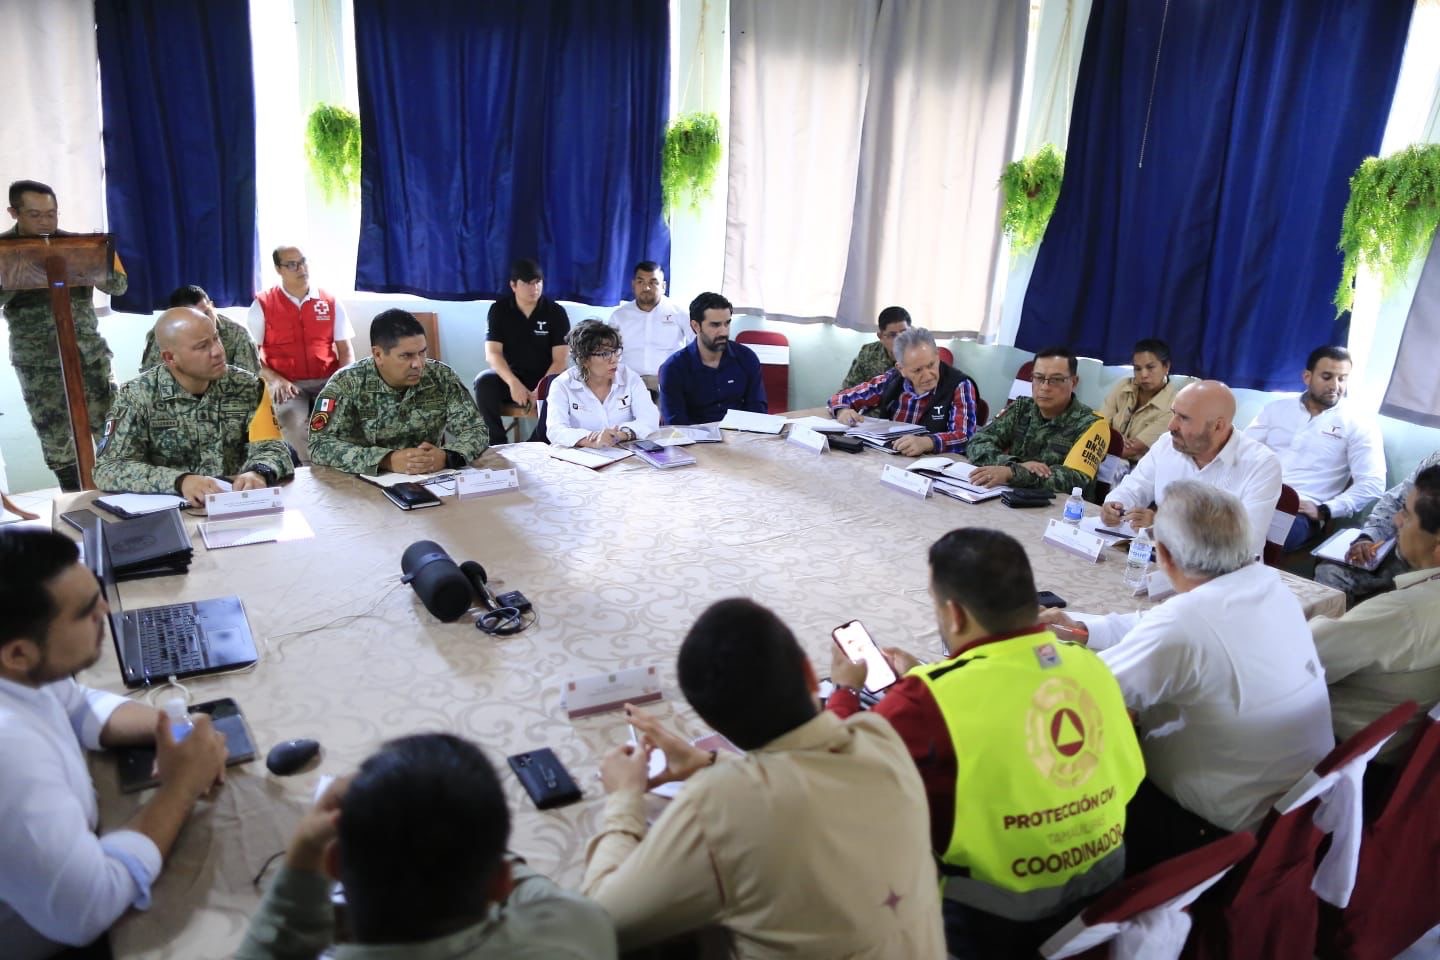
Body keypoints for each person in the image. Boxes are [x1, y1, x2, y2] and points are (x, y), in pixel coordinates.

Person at [826, 529, 1142, 959]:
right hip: (1104, 888)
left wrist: (844, 693)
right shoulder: (1090, 666)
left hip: (995, 920)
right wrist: (932, 675)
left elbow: (830, 778)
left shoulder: (925, 703)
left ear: (954, 615)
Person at [583, 597, 945, 957]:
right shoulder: (879, 735)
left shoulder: (719, 804)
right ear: (808, 673)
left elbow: (594, 923)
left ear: (711, 722)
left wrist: (623, 796)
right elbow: (805, 778)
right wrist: (709, 761)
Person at [1043, 482, 1331, 869]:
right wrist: (1082, 627)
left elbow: (1085, 695)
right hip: (1288, 815)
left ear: (1163, 555)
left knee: (1055, 774)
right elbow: (1152, 624)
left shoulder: (1186, 622)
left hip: (1211, 828)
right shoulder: (1267, 586)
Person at [0, 528, 228, 959]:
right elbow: (88, 906)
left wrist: (171, 728)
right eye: (87, 610)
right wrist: (179, 787)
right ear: (17, 653)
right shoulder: (9, 752)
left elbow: (77, 703)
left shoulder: (20, 672)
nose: (105, 610)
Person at [236, 733, 615, 959]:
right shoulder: (578, 932)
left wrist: (303, 854)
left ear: (334, 864)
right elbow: (548, 901)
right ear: (499, 882)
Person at [93, 307, 293, 505]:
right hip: (172, 511)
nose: (217, 351)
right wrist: (180, 481)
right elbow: (108, 468)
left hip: (235, 504)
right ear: (170, 358)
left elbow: (273, 447)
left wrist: (258, 472)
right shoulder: (137, 397)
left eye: (216, 338)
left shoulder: (248, 386)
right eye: (202, 346)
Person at [0, 180, 126, 491]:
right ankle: (74, 495)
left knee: (114, 425)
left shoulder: (80, 245)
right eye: (35, 215)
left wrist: (99, 264)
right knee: (54, 434)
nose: (46, 222)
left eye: (51, 214)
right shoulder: (2, 251)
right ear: (13, 212)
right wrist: (16, 274)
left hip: (88, 354)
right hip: (38, 361)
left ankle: (121, 489)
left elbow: (120, 286)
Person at [1310, 465, 1440, 764]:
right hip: (1399, 753)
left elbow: (1301, 658)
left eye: (1406, 515)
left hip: (1343, 754)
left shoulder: (1402, 613)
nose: (1397, 520)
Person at [1101, 380, 1282, 559]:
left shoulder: (1262, 465)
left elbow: (1245, 543)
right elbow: (1134, 487)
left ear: (1218, 426)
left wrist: (1164, 527)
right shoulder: (1167, 444)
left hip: (1223, 577)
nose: (1171, 426)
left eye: (1184, 418)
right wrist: (1116, 506)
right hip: (1162, 561)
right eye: (1173, 413)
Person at [308, 309, 488, 476]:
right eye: (406, 356)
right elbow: (319, 445)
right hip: (363, 483)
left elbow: (476, 429)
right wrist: (386, 460)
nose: (418, 364)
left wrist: (447, 456)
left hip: (429, 479)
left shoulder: (441, 377)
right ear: (378, 355)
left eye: (422, 353)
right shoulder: (347, 383)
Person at [1245, 346, 1385, 551]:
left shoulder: (1359, 423)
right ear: (1307, 377)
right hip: (1253, 496)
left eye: (1342, 378)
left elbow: (1373, 483)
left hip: (1298, 513)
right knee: (1196, 520)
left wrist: (1326, 510)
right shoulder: (1276, 410)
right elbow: (1243, 451)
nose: (1335, 386)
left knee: (1248, 539)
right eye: (1327, 377)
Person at [247, 245, 356, 463]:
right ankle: (309, 475)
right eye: (292, 264)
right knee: (293, 423)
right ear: (279, 269)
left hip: (327, 382)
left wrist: (340, 384)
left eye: (303, 261)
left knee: (333, 421)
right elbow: (251, 356)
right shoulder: (263, 304)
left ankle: (338, 469)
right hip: (288, 385)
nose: (301, 268)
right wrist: (276, 380)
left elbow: (345, 351)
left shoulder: (329, 301)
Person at [966, 347, 1109, 495]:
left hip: (1063, 510)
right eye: (1039, 378)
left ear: (1074, 382)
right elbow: (977, 442)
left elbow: (1074, 479)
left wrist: (1014, 473)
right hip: (1011, 496)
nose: (1045, 387)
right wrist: (1014, 465)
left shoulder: (1093, 424)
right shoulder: (1021, 408)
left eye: (1056, 380)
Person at [828, 326, 980, 455]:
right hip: (888, 459)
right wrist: (842, 411)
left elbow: (965, 436)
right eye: (917, 370)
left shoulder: (959, 385)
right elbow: (841, 397)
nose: (927, 375)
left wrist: (928, 442)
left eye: (931, 365)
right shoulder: (892, 380)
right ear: (901, 369)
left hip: (932, 468)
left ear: (937, 356)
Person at [1315, 450, 1440, 604]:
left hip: (1426, 563)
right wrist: (1368, 537)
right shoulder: (1436, 459)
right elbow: (1395, 501)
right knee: (1331, 572)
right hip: (1399, 549)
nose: (1398, 518)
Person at [474, 258, 570, 442]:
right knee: (484, 382)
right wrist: (513, 383)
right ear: (513, 285)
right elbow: (493, 353)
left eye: (537, 282)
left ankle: (535, 445)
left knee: (560, 388)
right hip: (512, 376)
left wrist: (539, 390)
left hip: (547, 376)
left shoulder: (555, 312)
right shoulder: (499, 310)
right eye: (527, 283)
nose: (534, 288)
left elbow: (560, 360)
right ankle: (497, 443)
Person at [545, 319, 659, 448]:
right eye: (605, 354)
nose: (614, 359)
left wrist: (620, 434)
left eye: (616, 351)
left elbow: (650, 419)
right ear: (583, 359)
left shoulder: (629, 377)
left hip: (623, 453)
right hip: (581, 456)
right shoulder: (562, 385)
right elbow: (555, 430)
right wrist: (592, 440)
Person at [657, 292, 767, 425]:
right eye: (715, 325)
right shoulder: (673, 369)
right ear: (695, 326)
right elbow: (676, 426)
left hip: (740, 438)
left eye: (727, 323)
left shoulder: (746, 358)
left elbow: (757, 412)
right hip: (695, 442)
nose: (724, 332)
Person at [606, 260, 690, 391]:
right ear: (633, 285)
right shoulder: (619, 316)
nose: (646, 288)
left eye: (653, 282)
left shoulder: (680, 314)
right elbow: (608, 353)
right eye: (641, 282)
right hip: (629, 383)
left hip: (669, 383)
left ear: (663, 286)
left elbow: (697, 349)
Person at [141, 284, 259, 374]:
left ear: (212, 306)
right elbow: (150, 380)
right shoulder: (163, 335)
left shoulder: (239, 334)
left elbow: (249, 383)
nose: (203, 322)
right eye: (193, 318)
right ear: (177, 318)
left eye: (206, 313)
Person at [1098, 338, 1178, 463]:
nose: (1143, 374)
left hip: (1137, 467)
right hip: (1103, 456)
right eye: (1137, 369)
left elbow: (1131, 450)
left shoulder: (1174, 405)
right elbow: (1097, 427)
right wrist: (1114, 441)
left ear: (1166, 367)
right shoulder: (1123, 386)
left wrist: (1110, 439)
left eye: (1150, 367)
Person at [839, 305, 911, 390]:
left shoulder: (924, 354)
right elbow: (847, 391)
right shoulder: (868, 354)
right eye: (892, 335)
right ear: (880, 336)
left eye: (904, 333)